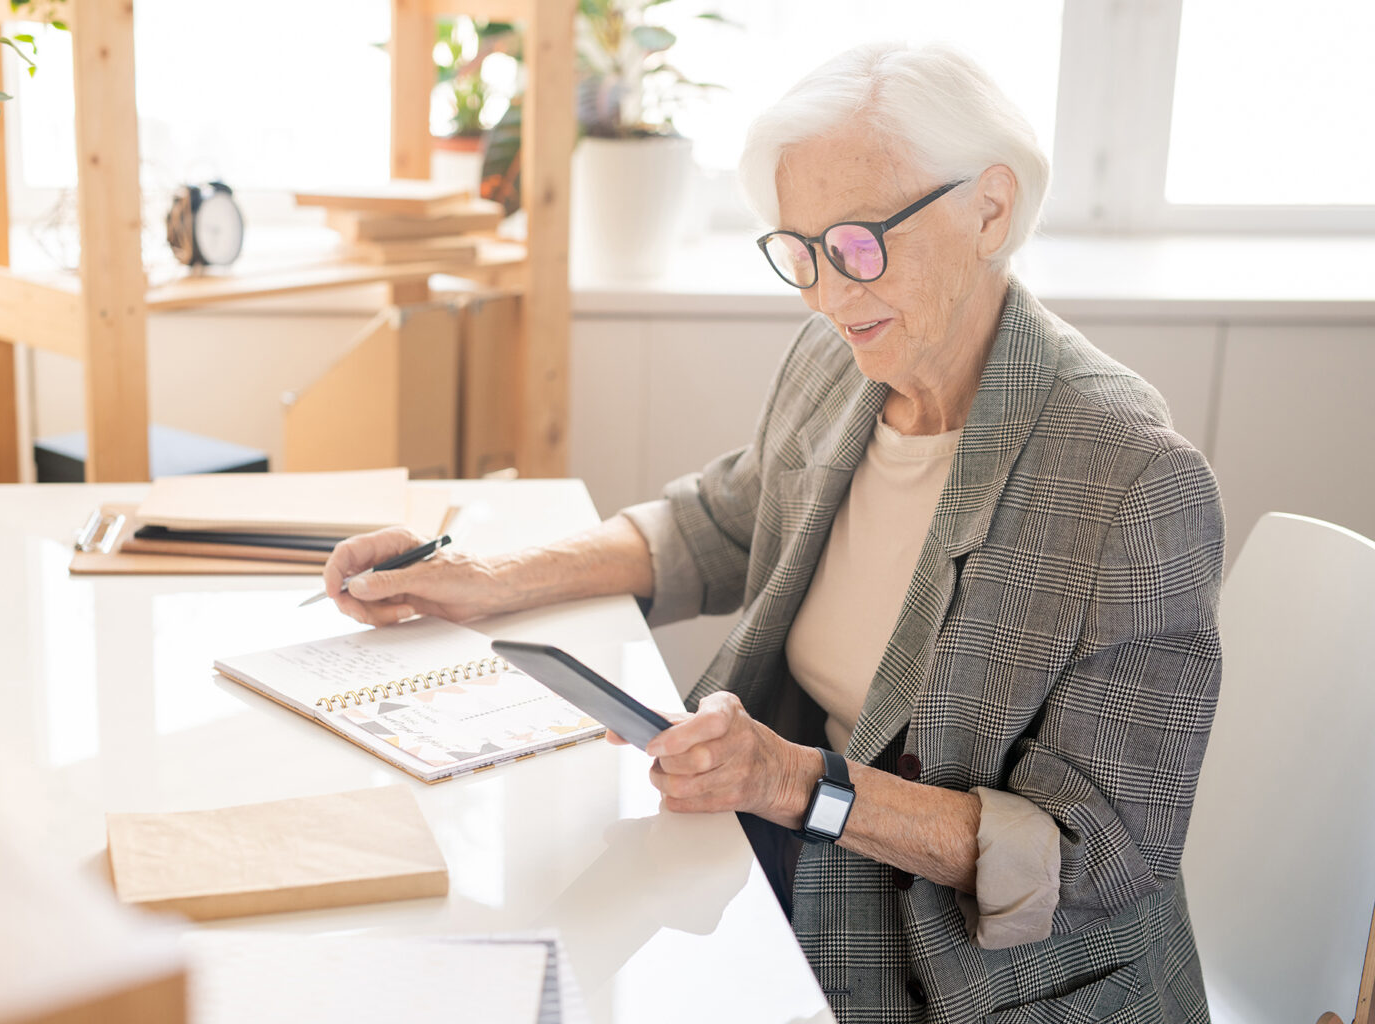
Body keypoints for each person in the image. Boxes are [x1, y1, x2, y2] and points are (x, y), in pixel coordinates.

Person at [322, 42, 1224, 1024]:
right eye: (802, 252)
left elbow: (1101, 853)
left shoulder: (1132, 478)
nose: (832, 295)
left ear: (990, 210)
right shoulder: (846, 362)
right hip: (804, 859)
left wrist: (799, 783)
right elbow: (724, 520)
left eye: (861, 244)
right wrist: (489, 577)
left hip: (977, 980)